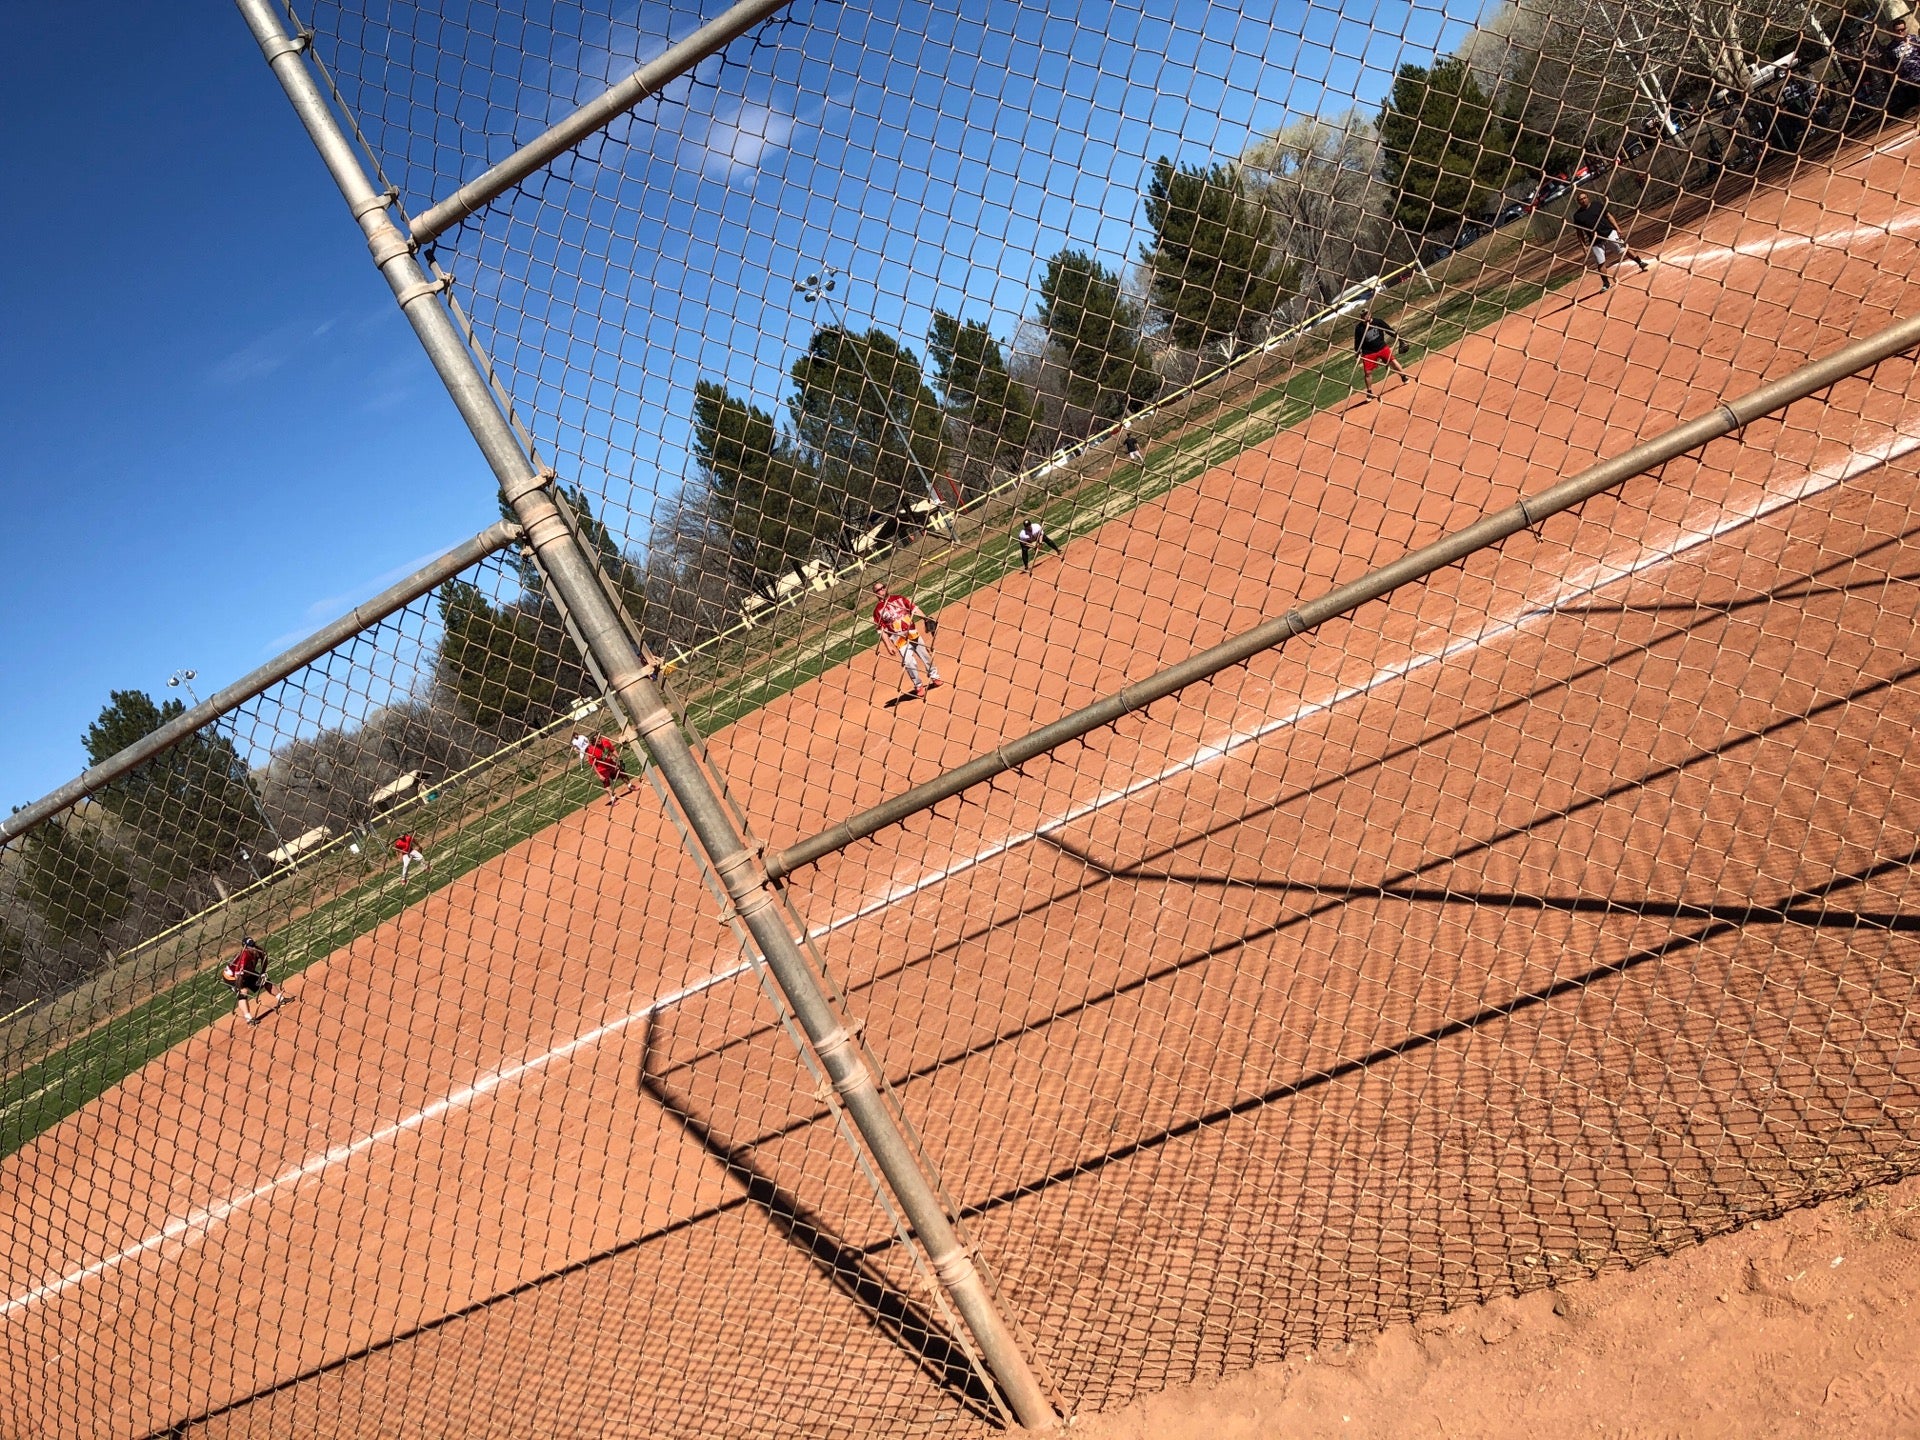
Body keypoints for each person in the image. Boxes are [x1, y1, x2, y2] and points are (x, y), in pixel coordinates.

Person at [870, 581, 943, 699]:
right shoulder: (878, 610)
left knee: (925, 656)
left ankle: (934, 676)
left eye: (883, 587)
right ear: (875, 593)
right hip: (899, 639)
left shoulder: (899, 598)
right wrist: (888, 645)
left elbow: (914, 609)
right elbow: (881, 630)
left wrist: (925, 618)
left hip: (912, 633)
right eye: (878, 590)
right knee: (908, 662)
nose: (882, 590)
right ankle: (918, 686)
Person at [1570, 188, 1649, 294]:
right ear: (1578, 202)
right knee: (1600, 262)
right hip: (1595, 240)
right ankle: (1606, 284)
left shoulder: (1597, 205)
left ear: (1588, 198)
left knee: (1623, 249)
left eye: (1585, 198)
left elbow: (1608, 216)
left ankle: (1640, 262)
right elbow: (1579, 232)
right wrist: (1583, 246)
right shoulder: (1578, 216)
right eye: (1581, 199)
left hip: (1609, 233)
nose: (1583, 200)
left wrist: (1617, 228)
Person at [222, 936, 288, 1028]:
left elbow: (264, 958)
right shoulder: (244, 956)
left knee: (264, 980)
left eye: (253, 945)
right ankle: (249, 1019)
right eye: (251, 946)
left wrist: (263, 972)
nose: (253, 948)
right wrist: (239, 987)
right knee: (243, 992)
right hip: (231, 976)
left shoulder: (258, 950)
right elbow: (238, 975)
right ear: (246, 948)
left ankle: (282, 999)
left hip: (246, 972)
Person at [1352, 307, 1410, 399]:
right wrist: (1357, 353)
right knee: (1367, 372)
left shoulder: (1378, 322)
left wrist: (1399, 339)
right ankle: (1369, 392)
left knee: (1393, 362)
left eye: (1367, 314)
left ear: (1370, 314)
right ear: (1361, 317)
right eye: (1364, 315)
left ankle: (1404, 377)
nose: (1366, 316)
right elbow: (1357, 342)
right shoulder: (1359, 328)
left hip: (1381, 347)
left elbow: (1389, 330)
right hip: (1368, 352)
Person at [582, 735, 635, 806]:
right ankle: (612, 799)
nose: (599, 740)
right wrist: (599, 775)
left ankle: (630, 785)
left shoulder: (605, 742)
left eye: (599, 738)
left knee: (621, 771)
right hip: (602, 768)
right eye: (596, 740)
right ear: (593, 742)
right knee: (606, 783)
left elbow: (612, 750)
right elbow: (593, 764)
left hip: (611, 764)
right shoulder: (591, 750)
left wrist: (619, 758)